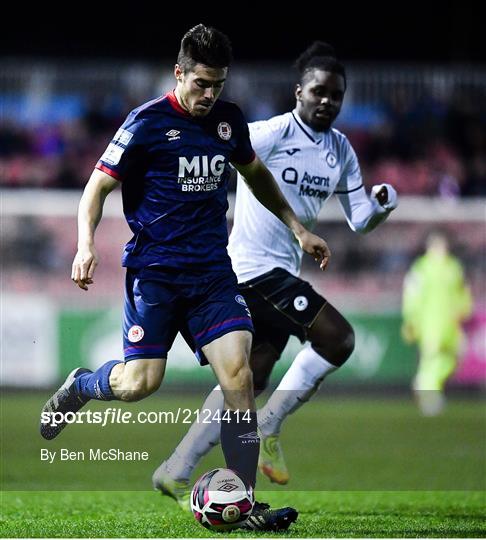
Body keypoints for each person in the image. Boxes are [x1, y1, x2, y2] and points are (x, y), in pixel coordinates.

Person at [39, 24, 332, 532]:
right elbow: (95, 189)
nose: (209, 94)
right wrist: (86, 247)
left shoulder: (228, 121)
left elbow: (255, 173)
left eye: (217, 84)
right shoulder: (146, 123)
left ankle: (243, 502)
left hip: (213, 277)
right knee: (139, 384)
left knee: (239, 377)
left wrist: (297, 226)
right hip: (154, 276)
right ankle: (81, 387)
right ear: (179, 74)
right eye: (201, 83)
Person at [152, 41, 398, 508]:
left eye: (336, 95)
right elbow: (217, 153)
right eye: (319, 91)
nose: (327, 101)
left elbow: (359, 218)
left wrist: (383, 205)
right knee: (337, 339)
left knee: (249, 379)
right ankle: (271, 423)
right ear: (298, 91)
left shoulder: (341, 150)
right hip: (250, 269)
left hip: (280, 271)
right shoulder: (269, 133)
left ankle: (177, 466)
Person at [401, 230, 472, 416]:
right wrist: (411, 320)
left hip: (451, 323)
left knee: (455, 356)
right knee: (431, 360)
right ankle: (429, 398)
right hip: (430, 322)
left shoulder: (453, 267)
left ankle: (422, 383)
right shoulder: (421, 268)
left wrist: (464, 308)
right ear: (429, 247)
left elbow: (462, 290)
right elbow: (412, 296)